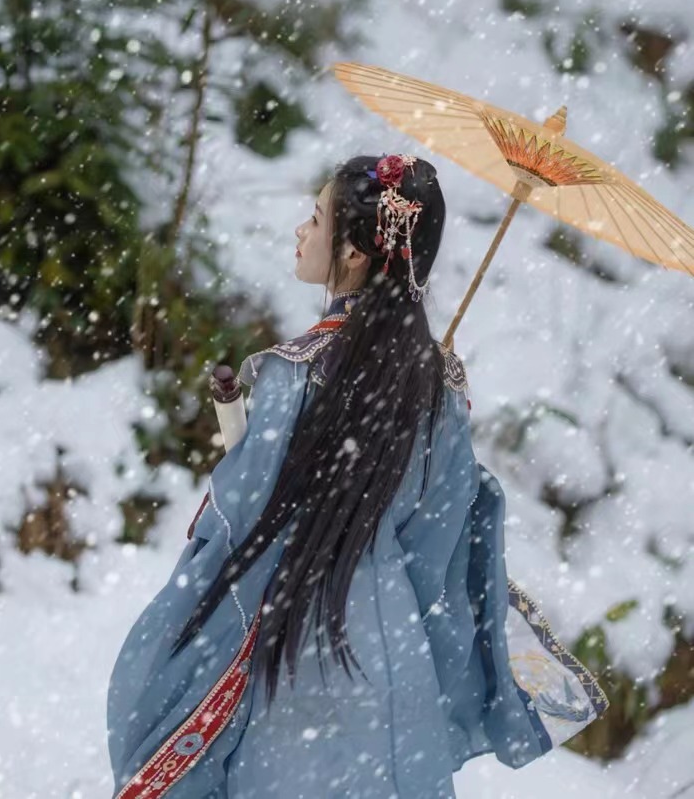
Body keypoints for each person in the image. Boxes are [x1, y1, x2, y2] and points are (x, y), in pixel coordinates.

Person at [106, 154, 609, 799]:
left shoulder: (299, 373)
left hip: (292, 661)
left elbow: (242, 532)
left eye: (316, 219)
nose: (300, 231)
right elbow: (441, 559)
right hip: (391, 669)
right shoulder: (440, 394)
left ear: (352, 253)